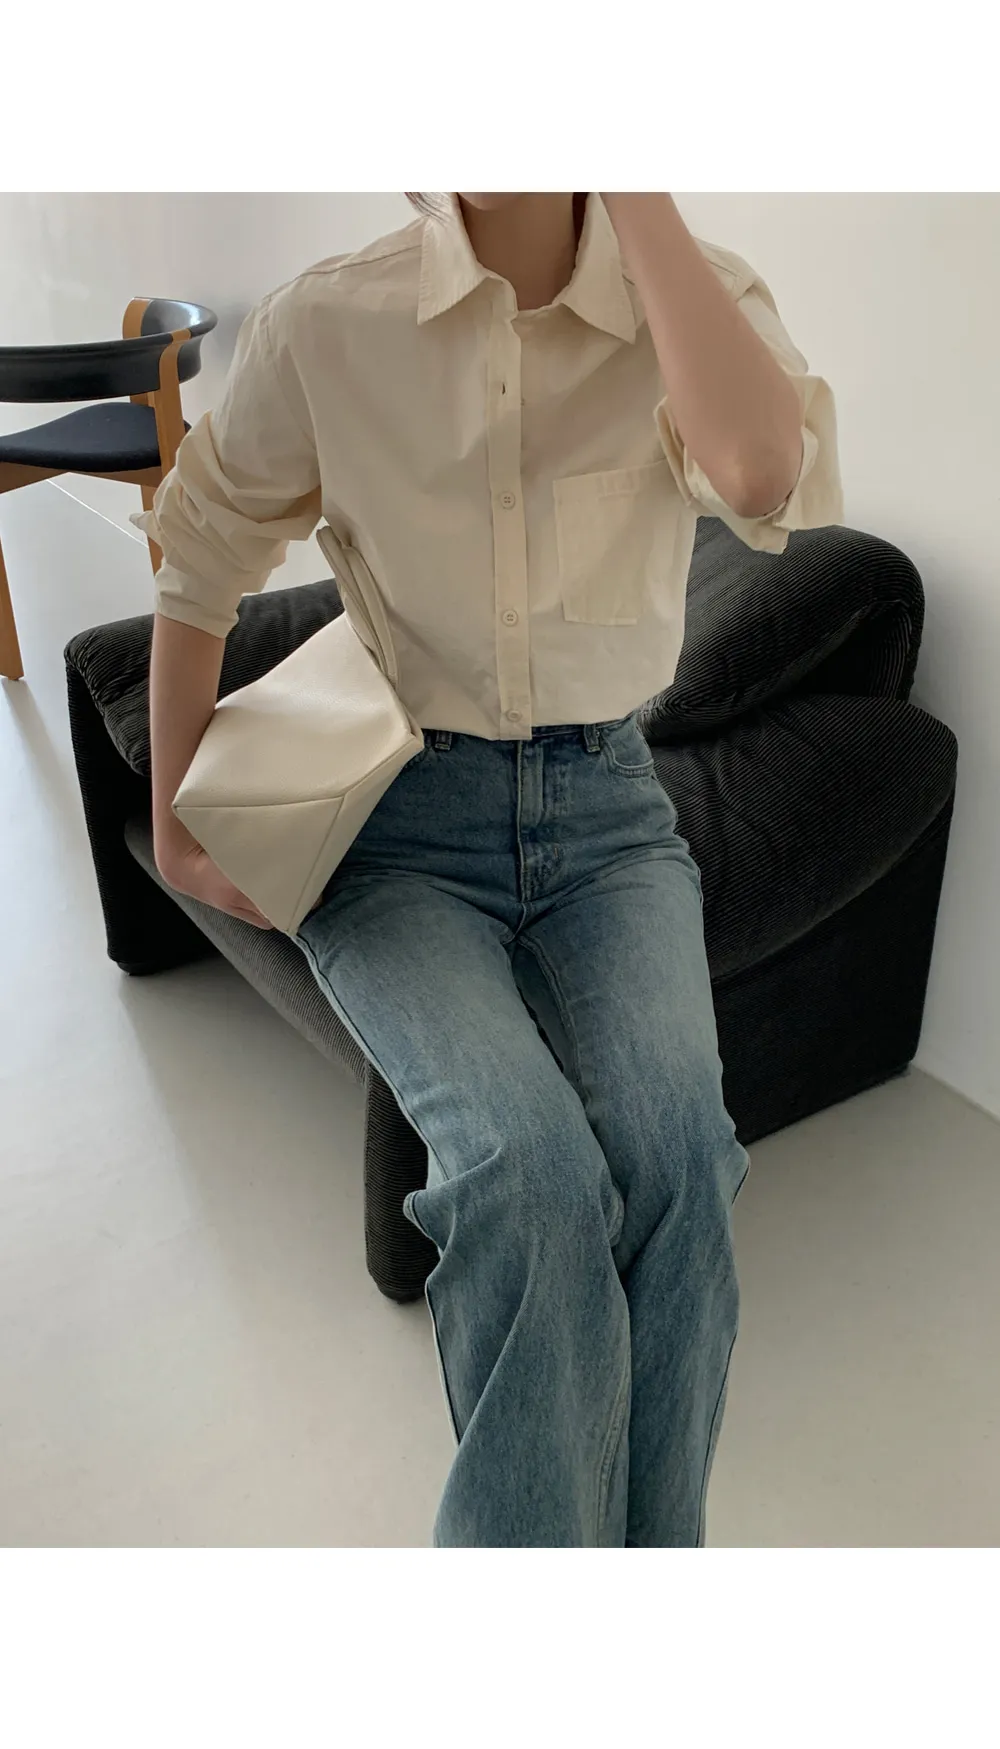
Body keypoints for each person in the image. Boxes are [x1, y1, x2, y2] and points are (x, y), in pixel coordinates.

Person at [144, 192, 843, 1546]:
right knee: (523, 1174)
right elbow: (202, 539)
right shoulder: (330, 317)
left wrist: (632, 190)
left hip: (608, 813)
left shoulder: (688, 301)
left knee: (683, 1164)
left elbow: (761, 472)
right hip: (390, 823)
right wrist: (177, 816)